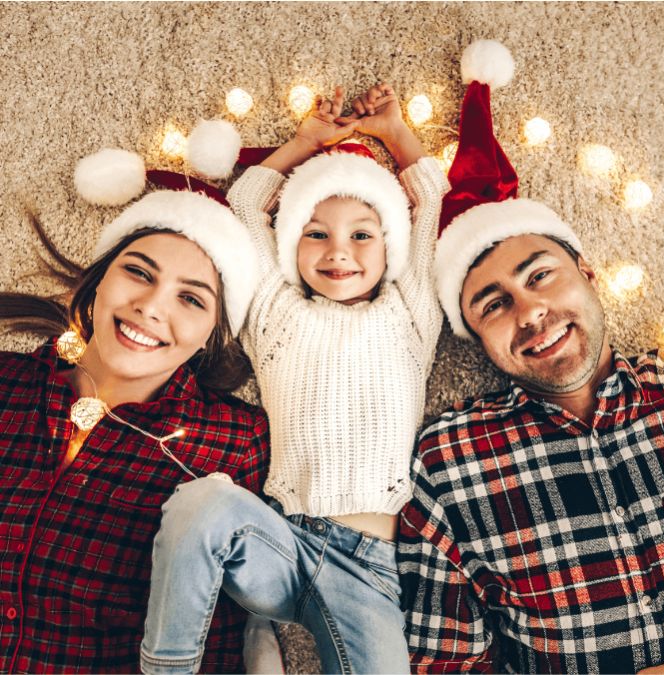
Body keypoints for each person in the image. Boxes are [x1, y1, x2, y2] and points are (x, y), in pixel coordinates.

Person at [139, 84, 449, 674]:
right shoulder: (275, 312)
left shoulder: (412, 315)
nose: (339, 252)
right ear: (290, 244)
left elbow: (430, 198)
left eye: (362, 234)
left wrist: (396, 134)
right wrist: (305, 141)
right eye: (316, 233)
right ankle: (169, 667)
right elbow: (247, 201)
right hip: (278, 540)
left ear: (391, 248)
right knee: (204, 501)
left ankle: (263, 644)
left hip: (369, 564)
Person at [398, 39, 664, 675]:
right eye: (493, 305)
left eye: (541, 275)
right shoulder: (448, 463)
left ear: (587, 272)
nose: (529, 312)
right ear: (472, 335)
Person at [0, 177, 270, 673]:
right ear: (99, 279)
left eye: (191, 299)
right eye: (139, 273)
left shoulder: (236, 442)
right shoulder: (6, 384)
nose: (151, 306)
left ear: (213, 334)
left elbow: (228, 625)